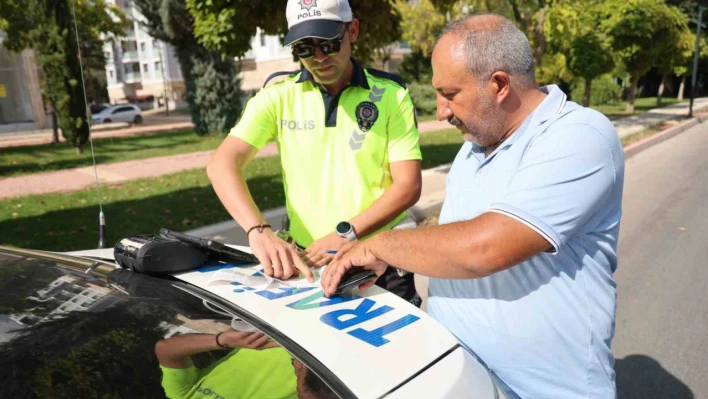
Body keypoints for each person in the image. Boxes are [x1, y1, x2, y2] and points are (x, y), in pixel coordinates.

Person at [322, 14, 624, 399]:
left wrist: (379, 244)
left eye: (449, 94)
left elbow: (485, 247)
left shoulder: (580, 137)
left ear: (499, 85)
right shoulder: (473, 148)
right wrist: (397, 256)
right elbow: (455, 242)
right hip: (466, 382)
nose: (440, 111)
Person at [207, 0, 422, 304]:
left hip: (378, 261)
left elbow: (408, 185)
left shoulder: (390, 94)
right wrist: (258, 230)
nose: (318, 57)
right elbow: (221, 164)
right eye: (304, 48)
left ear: (353, 31)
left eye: (329, 44)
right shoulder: (278, 96)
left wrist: (347, 234)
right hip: (309, 264)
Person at [156, 329, 336, 399]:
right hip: (329, 356)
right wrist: (306, 393)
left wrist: (222, 340)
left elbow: (165, 350)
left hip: (279, 327)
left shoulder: (182, 397)